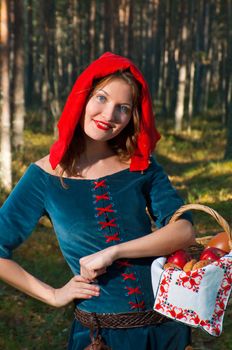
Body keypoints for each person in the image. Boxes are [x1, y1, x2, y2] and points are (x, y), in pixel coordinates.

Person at [0, 52, 195, 350]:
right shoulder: (44, 177)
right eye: (101, 98)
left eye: (123, 108)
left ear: (132, 117)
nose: (109, 115)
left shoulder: (140, 165)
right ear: (83, 97)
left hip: (166, 328)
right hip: (102, 337)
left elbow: (184, 230)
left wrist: (113, 252)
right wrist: (53, 295)